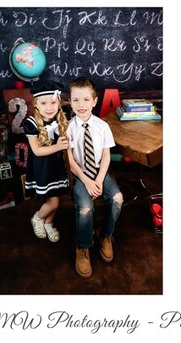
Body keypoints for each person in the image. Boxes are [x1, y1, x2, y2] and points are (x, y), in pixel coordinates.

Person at [66, 77, 123, 279]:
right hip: (80, 175)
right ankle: (82, 247)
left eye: (85, 100)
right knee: (85, 208)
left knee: (117, 198)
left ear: (94, 101)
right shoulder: (69, 127)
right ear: (70, 101)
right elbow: (71, 161)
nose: (81, 105)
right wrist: (87, 181)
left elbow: (106, 155)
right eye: (76, 100)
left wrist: (98, 180)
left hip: (100, 172)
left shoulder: (102, 126)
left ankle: (106, 236)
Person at [23, 82, 70, 242]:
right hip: (42, 167)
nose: (49, 107)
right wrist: (57, 147)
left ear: (59, 103)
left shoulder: (59, 118)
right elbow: (36, 151)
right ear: (36, 104)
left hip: (56, 165)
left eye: (53, 102)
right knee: (54, 202)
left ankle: (49, 223)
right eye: (43, 103)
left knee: (55, 195)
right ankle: (37, 218)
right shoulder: (31, 123)